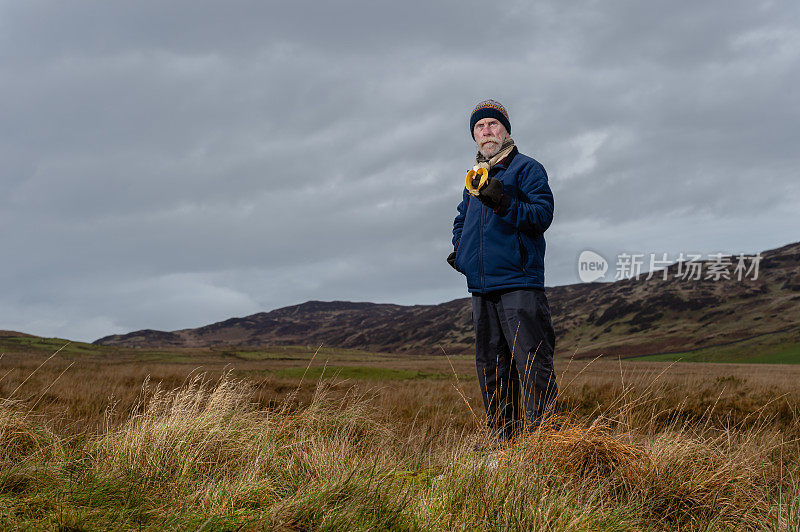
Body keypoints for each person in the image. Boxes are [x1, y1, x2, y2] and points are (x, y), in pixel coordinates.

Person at [449, 99, 558, 441]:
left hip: (519, 283)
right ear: (474, 137)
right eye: (480, 127)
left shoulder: (527, 169)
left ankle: (545, 443)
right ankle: (501, 443)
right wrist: (461, 253)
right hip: (482, 288)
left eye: (493, 124)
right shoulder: (474, 178)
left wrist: (504, 201)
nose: (487, 131)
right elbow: (461, 219)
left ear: (506, 130)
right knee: (492, 369)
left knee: (532, 363)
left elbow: (542, 216)